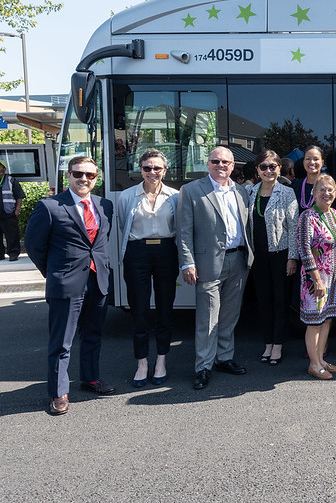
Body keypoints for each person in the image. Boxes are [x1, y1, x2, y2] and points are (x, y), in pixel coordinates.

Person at [25, 156, 116, 415]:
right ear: (68, 176)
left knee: (93, 335)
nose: (84, 179)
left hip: (97, 281)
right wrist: (54, 273)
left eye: (90, 175)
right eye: (78, 174)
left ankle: (90, 378)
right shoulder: (50, 206)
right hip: (65, 283)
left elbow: (101, 241)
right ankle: (58, 393)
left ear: (96, 178)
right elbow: (34, 246)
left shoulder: (104, 205)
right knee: (61, 342)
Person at [177, 146, 253, 390]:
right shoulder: (191, 191)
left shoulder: (241, 192)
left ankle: (224, 357)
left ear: (233, 166)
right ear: (207, 163)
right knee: (207, 317)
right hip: (207, 263)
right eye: (216, 161)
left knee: (230, 315)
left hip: (238, 261)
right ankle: (203, 366)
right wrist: (188, 262)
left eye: (226, 162)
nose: (221, 166)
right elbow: (184, 231)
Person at [117, 149, 179, 387]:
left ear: (165, 170)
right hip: (137, 253)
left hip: (166, 252)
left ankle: (161, 361)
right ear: (140, 169)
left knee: (165, 308)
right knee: (139, 309)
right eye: (147, 168)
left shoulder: (175, 196)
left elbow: (179, 227)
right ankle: (142, 362)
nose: (152, 172)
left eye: (157, 168)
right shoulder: (127, 196)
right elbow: (124, 225)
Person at [247, 150, 299, 366]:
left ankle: (278, 344)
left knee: (280, 300)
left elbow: (294, 226)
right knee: (263, 301)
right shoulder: (250, 192)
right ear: (257, 170)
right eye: (263, 167)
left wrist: (292, 258)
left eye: (273, 166)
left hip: (280, 255)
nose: (268, 170)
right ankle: (267, 341)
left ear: (279, 168)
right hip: (257, 257)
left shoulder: (287, 193)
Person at [298, 174, 336, 379]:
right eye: (322, 190)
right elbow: (304, 249)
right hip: (316, 278)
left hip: (334, 278)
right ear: (314, 193)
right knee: (314, 321)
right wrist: (316, 278)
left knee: (326, 320)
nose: (326, 193)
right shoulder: (308, 216)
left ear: (335, 193)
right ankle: (314, 364)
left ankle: (321, 359)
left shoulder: (333, 213)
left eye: (330, 190)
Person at [0, 160, 25, 262]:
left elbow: (19, 196)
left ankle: (13, 254)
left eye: (1, 171)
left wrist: (17, 210)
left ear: (4, 170)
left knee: (12, 235)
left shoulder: (11, 181)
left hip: (9, 213)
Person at [292, 146, 325, 212]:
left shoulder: (329, 185)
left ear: (322, 163)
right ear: (303, 161)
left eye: (316, 159)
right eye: (308, 159)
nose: (312, 162)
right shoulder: (295, 185)